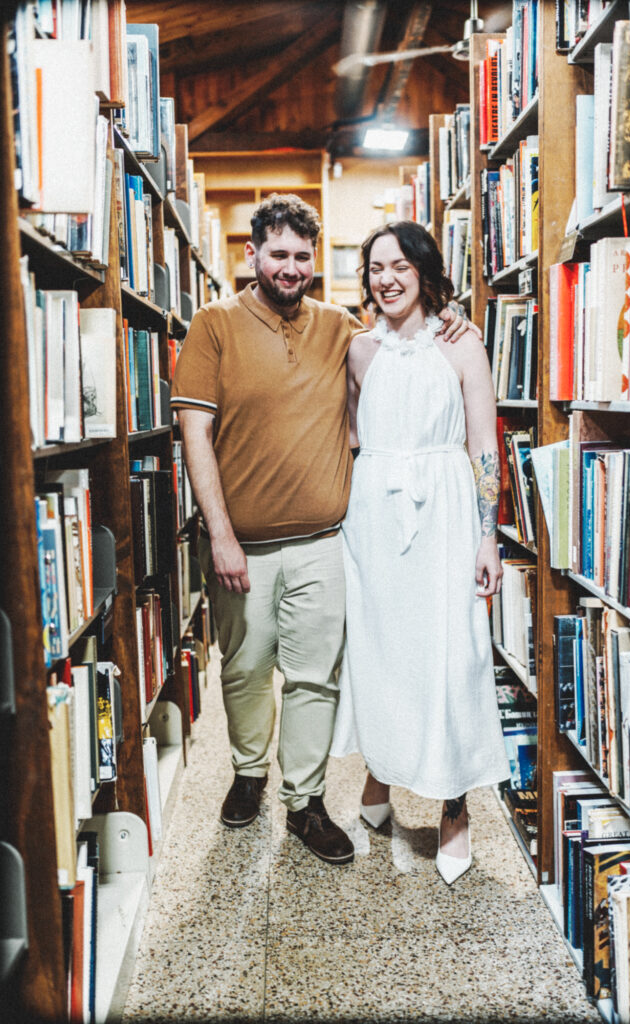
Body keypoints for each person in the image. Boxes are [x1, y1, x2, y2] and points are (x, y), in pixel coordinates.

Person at [170, 194, 474, 865]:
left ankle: (305, 801)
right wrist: (220, 535)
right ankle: (249, 772)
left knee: (315, 679)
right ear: (251, 254)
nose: (291, 267)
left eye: (302, 256)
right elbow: (195, 436)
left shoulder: (341, 328)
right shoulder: (213, 324)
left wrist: (448, 314)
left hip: (325, 543)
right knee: (246, 670)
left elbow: (404, 338)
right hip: (242, 546)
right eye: (278, 254)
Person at [330, 220, 510, 884]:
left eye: (400, 266)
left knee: (451, 656)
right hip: (374, 514)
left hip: (446, 511)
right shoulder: (358, 349)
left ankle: (454, 805)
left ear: (425, 271)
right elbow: (350, 433)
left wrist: (488, 534)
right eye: (376, 267)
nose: (387, 279)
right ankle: (380, 773)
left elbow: (484, 446)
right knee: (381, 651)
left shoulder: (462, 343)